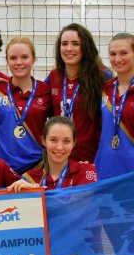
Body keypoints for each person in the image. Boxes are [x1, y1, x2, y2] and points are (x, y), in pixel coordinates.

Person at [46, 23, 113, 163]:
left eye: (75, 43)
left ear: (85, 47)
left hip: (90, 159)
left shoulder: (102, 76)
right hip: (60, 158)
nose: (69, 48)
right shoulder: (53, 76)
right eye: (64, 44)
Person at [0, 37, 52, 174]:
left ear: (33, 60)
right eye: (13, 58)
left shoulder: (45, 90)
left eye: (24, 57)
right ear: (7, 61)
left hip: (36, 169)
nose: (19, 62)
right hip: (2, 169)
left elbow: (56, 125)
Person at [8, 116, 98, 192]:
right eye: (53, 140)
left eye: (66, 141)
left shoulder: (86, 171)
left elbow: (82, 206)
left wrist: (37, 193)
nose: (59, 147)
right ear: (44, 141)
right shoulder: (28, 178)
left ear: (73, 143)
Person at [95, 33, 134, 180]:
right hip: (106, 172)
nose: (117, 59)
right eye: (113, 54)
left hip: (130, 174)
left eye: (124, 53)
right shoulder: (105, 89)